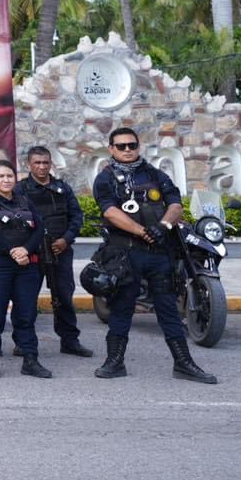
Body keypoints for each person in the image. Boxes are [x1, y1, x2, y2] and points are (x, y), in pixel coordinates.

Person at [92, 128, 216, 384]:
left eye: (132, 145)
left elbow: (175, 205)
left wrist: (163, 226)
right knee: (122, 309)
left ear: (138, 146)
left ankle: (184, 364)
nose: (128, 150)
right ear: (111, 149)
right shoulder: (105, 179)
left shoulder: (155, 174)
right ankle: (114, 362)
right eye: (121, 146)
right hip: (125, 255)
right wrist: (142, 231)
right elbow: (110, 212)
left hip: (160, 254)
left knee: (168, 310)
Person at [15, 146, 93, 357]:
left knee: (63, 297)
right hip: (33, 252)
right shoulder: (20, 190)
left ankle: (70, 341)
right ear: (29, 165)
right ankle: (23, 342)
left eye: (45, 163)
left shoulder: (62, 188)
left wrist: (66, 240)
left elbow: (76, 217)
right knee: (26, 299)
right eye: (37, 163)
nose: (42, 167)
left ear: (51, 164)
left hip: (60, 250)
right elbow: (15, 222)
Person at [0, 160, 51, 378]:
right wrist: (13, 251)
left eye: (9, 176)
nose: (6, 180)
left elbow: (39, 230)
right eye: (1, 176)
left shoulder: (26, 201)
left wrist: (25, 251)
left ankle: (31, 360)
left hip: (26, 265)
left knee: (26, 315)